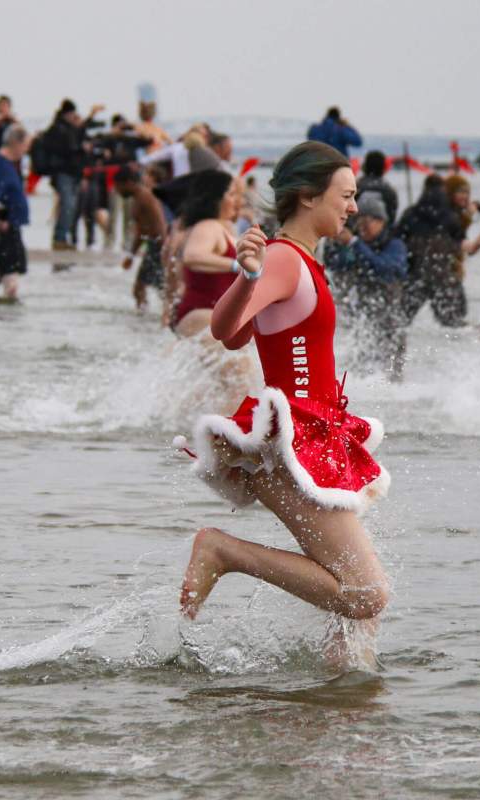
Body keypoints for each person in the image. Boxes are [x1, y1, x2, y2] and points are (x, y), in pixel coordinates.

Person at [179, 141, 390, 647]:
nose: (354, 207)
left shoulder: (303, 261)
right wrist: (247, 276)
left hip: (318, 441)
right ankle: (223, 552)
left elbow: (236, 334)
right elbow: (228, 332)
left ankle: (336, 708)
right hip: (292, 447)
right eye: (346, 194)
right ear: (309, 197)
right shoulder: (283, 260)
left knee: (357, 615)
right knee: (366, 593)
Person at [327, 194, 409, 380]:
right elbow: (335, 268)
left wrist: (354, 243)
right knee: (361, 374)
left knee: (391, 379)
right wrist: (335, 246)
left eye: (367, 220)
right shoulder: (357, 247)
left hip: (391, 325)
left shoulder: (395, 245)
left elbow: (383, 267)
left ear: (381, 221)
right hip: (364, 323)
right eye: (359, 220)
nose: (362, 226)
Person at [170, 170, 242, 337]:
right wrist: (238, 266)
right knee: (242, 362)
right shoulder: (208, 226)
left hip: (211, 316)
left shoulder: (224, 230)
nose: (237, 201)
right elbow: (193, 256)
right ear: (216, 199)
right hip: (202, 314)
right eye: (231, 195)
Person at [397, 174, 467, 328]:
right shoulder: (450, 216)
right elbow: (460, 242)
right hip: (443, 275)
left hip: (415, 273)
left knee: (401, 320)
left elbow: (398, 237)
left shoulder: (411, 213)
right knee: (454, 324)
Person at [44, 99, 103, 249]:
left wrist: (91, 116)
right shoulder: (59, 129)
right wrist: (81, 149)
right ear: (67, 114)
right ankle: (60, 238)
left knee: (71, 207)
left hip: (72, 174)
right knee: (68, 206)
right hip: (64, 173)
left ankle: (62, 238)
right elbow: (69, 147)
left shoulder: (65, 128)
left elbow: (78, 133)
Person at [0, 123, 30, 301]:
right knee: (9, 271)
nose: (26, 151)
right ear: (16, 143)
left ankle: (2, 302)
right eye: (25, 146)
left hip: (12, 225)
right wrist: (1, 219)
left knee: (10, 271)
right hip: (5, 227)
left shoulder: (8, 164)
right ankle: (6, 307)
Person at [115, 165, 167, 311]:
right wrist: (131, 255)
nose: (117, 190)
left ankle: (160, 319)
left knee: (148, 289)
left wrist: (162, 251)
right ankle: (151, 318)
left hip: (158, 247)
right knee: (154, 289)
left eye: (118, 186)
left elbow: (160, 226)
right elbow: (141, 232)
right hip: (155, 246)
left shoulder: (145, 197)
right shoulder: (139, 198)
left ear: (128, 183)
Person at [355, 150, 398, 225]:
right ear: (383, 167)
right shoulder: (388, 190)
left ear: (365, 166)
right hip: (381, 233)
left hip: (355, 230)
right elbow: (391, 218)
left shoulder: (355, 187)